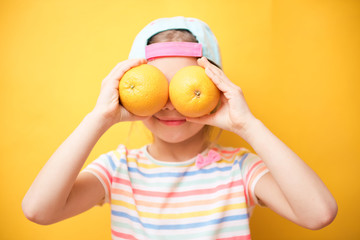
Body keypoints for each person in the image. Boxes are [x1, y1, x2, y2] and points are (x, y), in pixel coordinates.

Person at [22, 16, 337, 239]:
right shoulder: (119, 169)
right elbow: (38, 210)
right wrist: (98, 118)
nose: (170, 104)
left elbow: (319, 214)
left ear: (215, 89)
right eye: (158, 89)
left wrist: (248, 125)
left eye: (186, 89)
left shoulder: (239, 169)